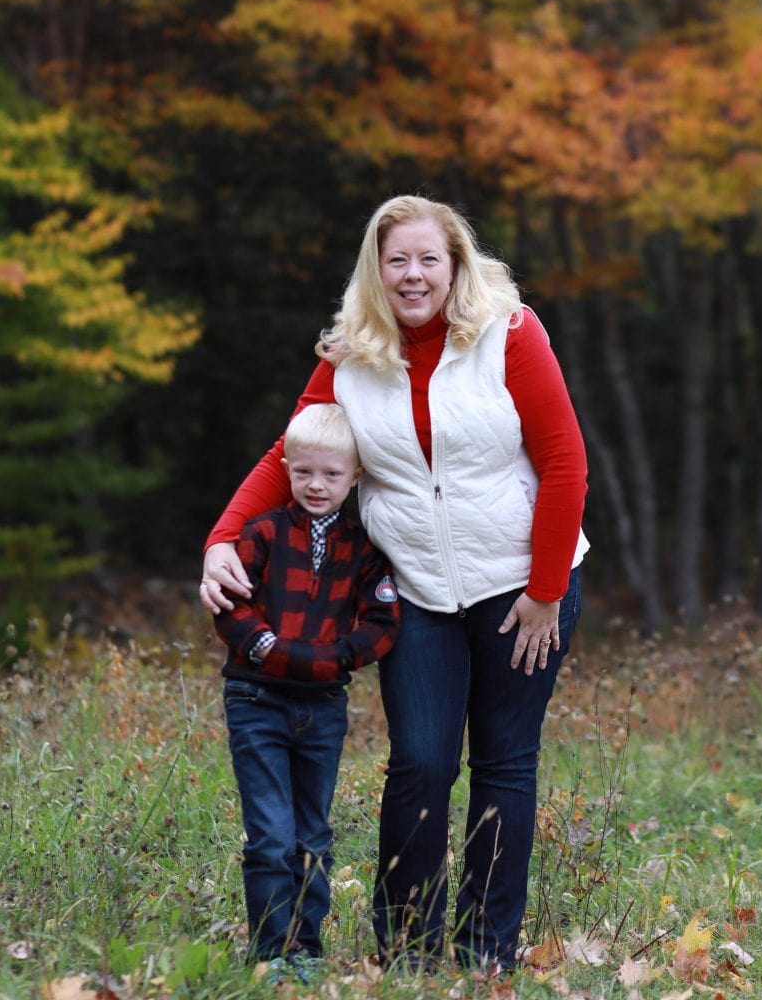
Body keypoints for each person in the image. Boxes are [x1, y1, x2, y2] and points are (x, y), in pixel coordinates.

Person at [201, 195, 588, 974]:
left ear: (456, 265)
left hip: (522, 589)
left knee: (505, 764)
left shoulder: (510, 333)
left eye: (428, 260)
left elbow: (563, 463)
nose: (412, 275)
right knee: (420, 760)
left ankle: (486, 956)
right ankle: (407, 952)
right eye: (396, 261)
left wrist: (544, 589)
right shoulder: (353, 353)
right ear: (375, 272)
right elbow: (290, 455)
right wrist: (220, 541)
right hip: (411, 589)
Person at [211, 403, 400, 976]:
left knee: (312, 832)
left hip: (321, 706)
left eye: (331, 475)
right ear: (288, 469)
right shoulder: (262, 534)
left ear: (356, 476)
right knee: (271, 834)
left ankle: (306, 950)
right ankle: (270, 953)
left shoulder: (365, 550)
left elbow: (380, 625)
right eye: (303, 473)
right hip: (256, 699)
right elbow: (232, 609)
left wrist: (333, 657)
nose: (316, 485)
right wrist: (271, 649)